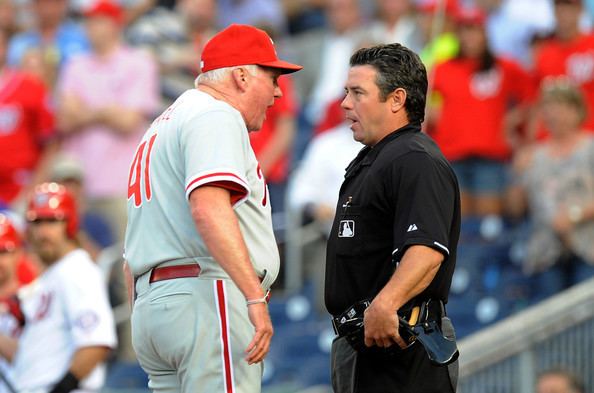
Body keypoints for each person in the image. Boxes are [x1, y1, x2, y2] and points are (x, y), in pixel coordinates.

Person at [123, 24, 301, 392]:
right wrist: (253, 295)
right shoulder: (216, 114)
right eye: (271, 78)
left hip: (155, 304)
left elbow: (131, 250)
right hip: (206, 293)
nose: (277, 92)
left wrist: (146, 309)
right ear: (240, 76)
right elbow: (208, 208)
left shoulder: (160, 126)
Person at [325, 43, 460, 393]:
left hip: (400, 347)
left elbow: (427, 250)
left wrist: (385, 305)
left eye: (357, 93)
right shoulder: (379, 157)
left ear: (397, 99)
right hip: (366, 344)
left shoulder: (414, 159)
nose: (345, 103)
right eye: (345, 92)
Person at [56, 0, 160, 244]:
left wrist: (87, 111)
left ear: (115, 24)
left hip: (122, 185)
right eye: (88, 21)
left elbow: (127, 120)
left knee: (126, 261)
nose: (90, 27)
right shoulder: (75, 64)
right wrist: (108, 110)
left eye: (97, 21)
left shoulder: (138, 62)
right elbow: (65, 120)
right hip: (79, 187)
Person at [0, 182, 117, 391]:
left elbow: (96, 343)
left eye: (52, 221)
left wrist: (61, 388)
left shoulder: (77, 269)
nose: (43, 232)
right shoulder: (52, 275)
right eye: (37, 222)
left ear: (70, 223)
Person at [427, 7, 536, 217]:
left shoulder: (504, 66)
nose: (469, 36)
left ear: (485, 33)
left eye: (474, 29)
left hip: (491, 155)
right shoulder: (441, 68)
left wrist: (516, 124)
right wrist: (434, 114)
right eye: (464, 30)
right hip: (452, 155)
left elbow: (532, 97)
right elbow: (421, 102)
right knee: (458, 224)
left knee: (488, 224)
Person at [507, 77, 594, 300]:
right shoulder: (534, 156)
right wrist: (517, 175)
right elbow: (515, 210)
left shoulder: (590, 147)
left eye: (562, 107)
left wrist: (575, 215)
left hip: (587, 248)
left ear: (577, 111)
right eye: (550, 107)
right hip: (547, 254)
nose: (555, 114)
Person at [0, 28, 57, 209]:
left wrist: (33, 189)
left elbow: (51, 144)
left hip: (19, 191)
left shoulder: (30, 87)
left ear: (5, 47)